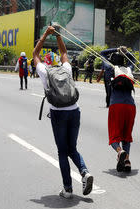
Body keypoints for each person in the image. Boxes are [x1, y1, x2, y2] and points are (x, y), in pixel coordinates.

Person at [33, 25, 94, 199]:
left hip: (58, 114)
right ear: (57, 61)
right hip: (74, 111)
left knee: (62, 151)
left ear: (47, 61)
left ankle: (67, 189)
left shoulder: (44, 71)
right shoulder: (66, 68)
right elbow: (64, 52)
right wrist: (58, 35)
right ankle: (84, 172)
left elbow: (34, 54)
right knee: (72, 148)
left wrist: (45, 34)